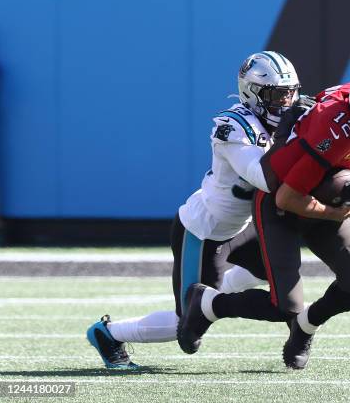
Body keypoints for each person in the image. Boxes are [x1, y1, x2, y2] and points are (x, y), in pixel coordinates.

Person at [177, 65, 350, 369]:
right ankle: (208, 305)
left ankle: (305, 327)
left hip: (318, 195)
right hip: (280, 206)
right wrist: (335, 212)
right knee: (283, 307)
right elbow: (286, 197)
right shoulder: (334, 132)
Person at [86, 51, 301, 369]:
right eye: (276, 94)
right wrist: (293, 138)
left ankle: (217, 290)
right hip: (205, 231)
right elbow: (264, 178)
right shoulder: (233, 126)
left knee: (281, 277)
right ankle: (108, 333)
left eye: (290, 92)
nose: (285, 103)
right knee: (185, 322)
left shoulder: (290, 116)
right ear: (251, 92)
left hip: (243, 228)